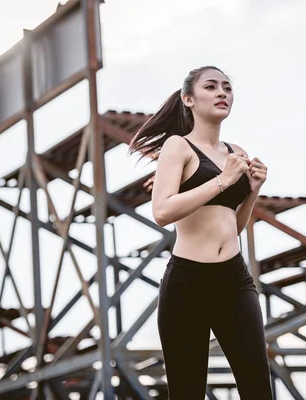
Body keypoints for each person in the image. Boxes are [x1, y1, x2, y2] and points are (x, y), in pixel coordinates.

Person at [129, 66, 273, 399]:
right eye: (211, 86)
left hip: (234, 279)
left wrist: (252, 190)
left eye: (227, 87)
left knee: (257, 388)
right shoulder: (178, 147)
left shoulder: (236, 153)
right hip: (188, 284)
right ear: (189, 99)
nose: (222, 92)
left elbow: (232, 226)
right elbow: (162, 211)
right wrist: (222, 180)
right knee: (187, 391)